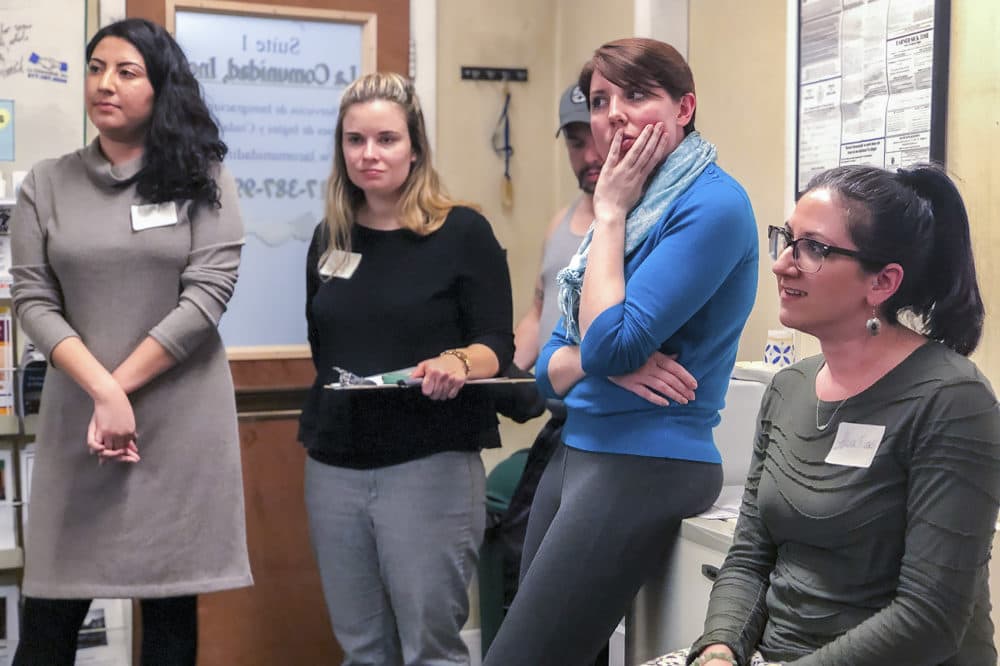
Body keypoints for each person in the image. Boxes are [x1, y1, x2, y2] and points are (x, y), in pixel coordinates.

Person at [649, 164, 1000, 666]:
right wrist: (721, 649)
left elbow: (931, 618)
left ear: (882, 282)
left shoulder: (953, 400)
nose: (783, 264)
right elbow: (750, 556)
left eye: (814, 248)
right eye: (786, 240)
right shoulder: (788, 387)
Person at [483, 37, 758, 666]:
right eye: (602, 100)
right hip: (581, 448)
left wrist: (606, 216)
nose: (615, 113)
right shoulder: (636, 207)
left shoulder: (710, 204)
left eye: (637, 95)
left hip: (651, 460)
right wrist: (595, 360)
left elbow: (610, 341)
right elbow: (550, 373)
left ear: (684, 107)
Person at [9, 18, 251, 666]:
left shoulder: (204, 177)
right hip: (81, 422)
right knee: (48, 624)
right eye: (95, 68)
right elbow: (33, 300)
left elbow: (206, 298)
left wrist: (122, 389)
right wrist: (103, 391)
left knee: (170, 616)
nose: (104, 83)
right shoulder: (45, 184)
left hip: (178, 422)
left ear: (159, 86)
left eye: (125, 71)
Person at [298, 72, 513, 666]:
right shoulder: (329, 239)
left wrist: (457, 361)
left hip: (430, 464)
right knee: (362, 649)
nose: (369, 155)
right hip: (334, 465)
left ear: (415, 147)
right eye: (355, 140)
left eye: (386, 140)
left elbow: (497, 341)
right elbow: (322, 346)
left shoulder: (461, 232)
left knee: (430, 649)